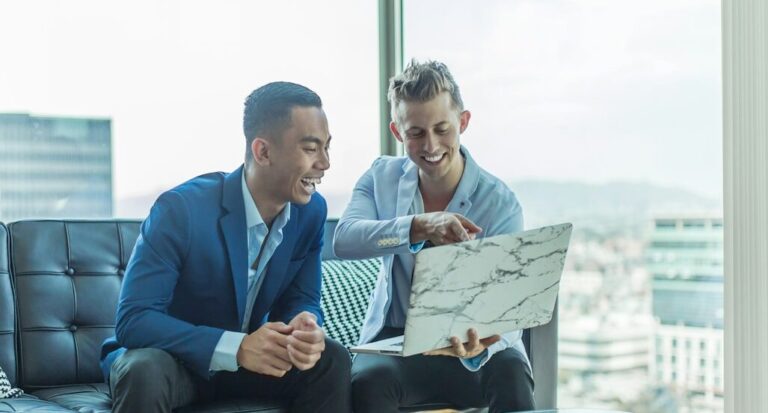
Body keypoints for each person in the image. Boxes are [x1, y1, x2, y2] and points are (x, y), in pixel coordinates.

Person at [100, 82, 351, 413]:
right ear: (263, 151)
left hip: (251, 363)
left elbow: (301, 298)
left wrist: (303, 325)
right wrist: (237, 347)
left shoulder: (311, 212)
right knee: (144, 369)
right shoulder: (181, 210)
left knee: (331, 358)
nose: (325, 163)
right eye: (310, 149)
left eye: (326, 147)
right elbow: (134, 320)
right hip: (174, 362)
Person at [333, 60, 535, 413]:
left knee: (512, 371)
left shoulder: (500, 202)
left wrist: (484, 341)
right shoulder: (380, 179)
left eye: (442, 129)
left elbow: (509, 310)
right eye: (416, 133)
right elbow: (345, 239)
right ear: (398, 133)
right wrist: (419, 226)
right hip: (396, 343)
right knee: (368, 381)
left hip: (472, 348)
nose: (431, 145)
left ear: (463, 122)